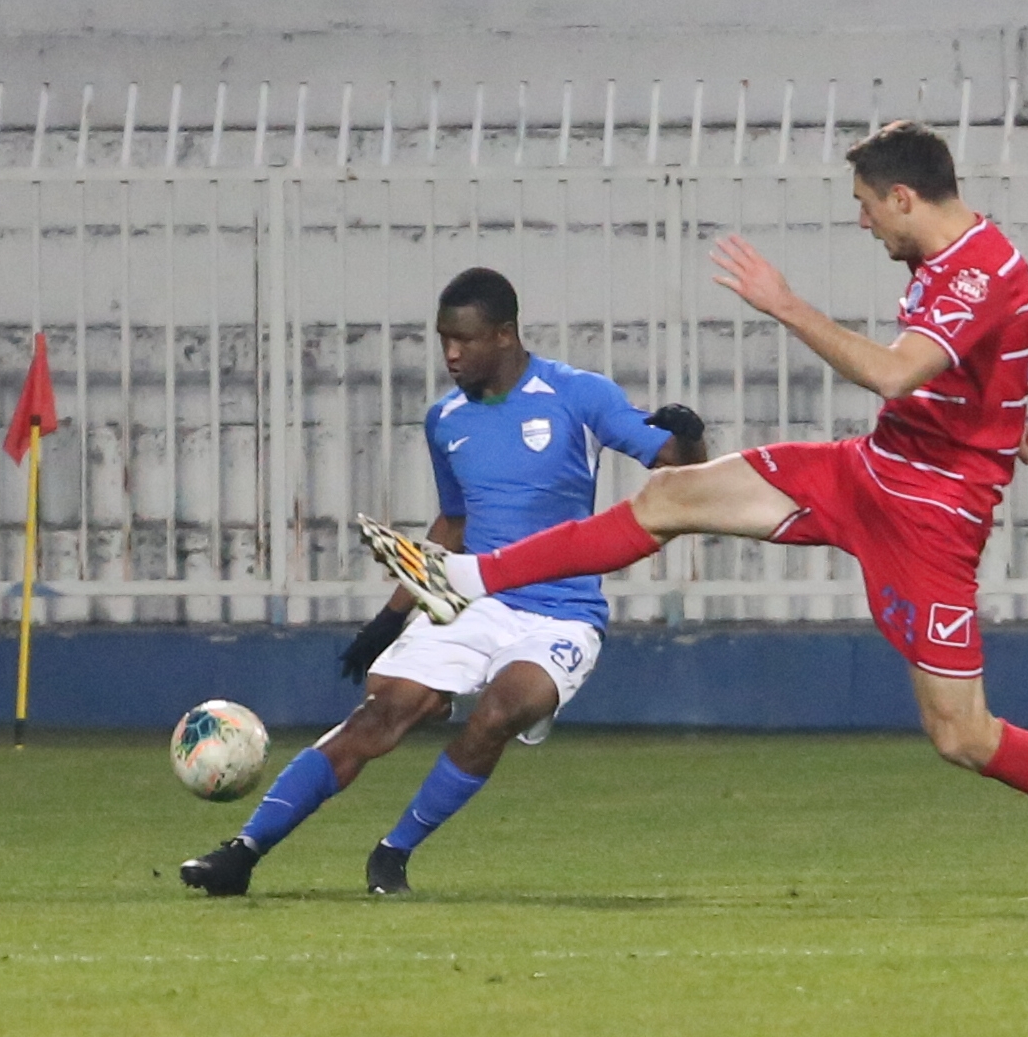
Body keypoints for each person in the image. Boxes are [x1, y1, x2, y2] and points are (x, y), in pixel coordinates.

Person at [366, 122, 1028, 911]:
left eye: (866, 204)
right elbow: (982, 358)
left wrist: (786, 305)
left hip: (931, 517)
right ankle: (467, 574)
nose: (861, 220)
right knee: (668, 496)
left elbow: (898, 374)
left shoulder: (976, 269)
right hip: (870, 471)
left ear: (903, 196)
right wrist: (1000, 416)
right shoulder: (949, 260)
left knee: (962, 735)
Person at [180, 266, 707, 896]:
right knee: (383, 713)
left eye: (465, 340)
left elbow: (679, 473)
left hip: (561, 612)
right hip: (473, 603)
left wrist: (690, 434)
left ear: (506, 335)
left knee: (500, 711)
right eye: (443, 339)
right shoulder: (445, 419)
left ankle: (393, 854)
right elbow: (454, 521)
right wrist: (391, 615)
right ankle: (241, 853)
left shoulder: (578, 395)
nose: (451, 354)